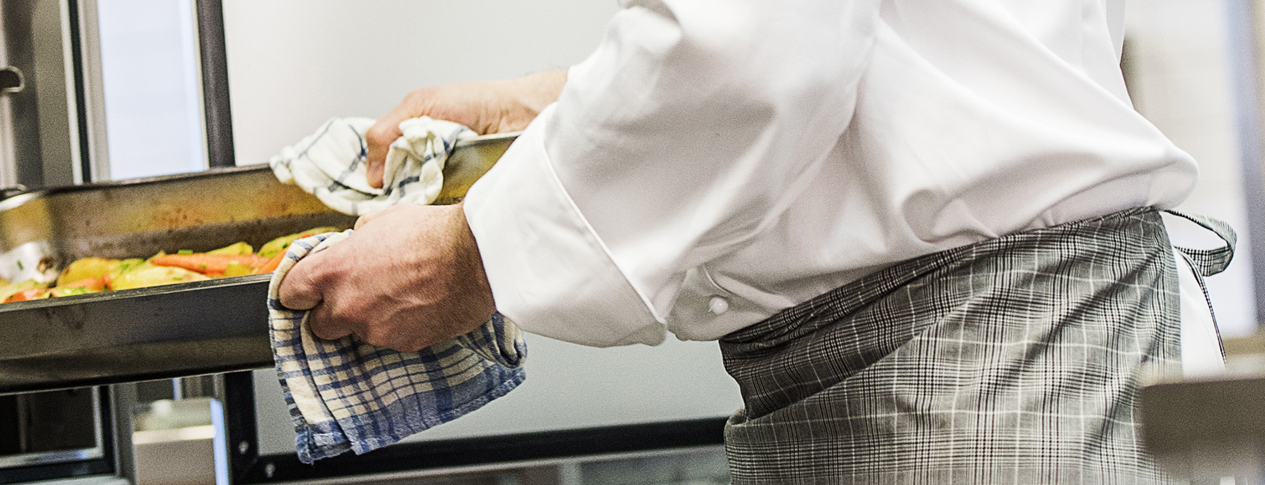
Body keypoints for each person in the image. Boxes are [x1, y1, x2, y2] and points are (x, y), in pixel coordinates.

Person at [276, 0, 1230, 482]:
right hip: (982, 354)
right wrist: (535, 107)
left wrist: (469, 256)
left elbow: (751, 47)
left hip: (981, 375)